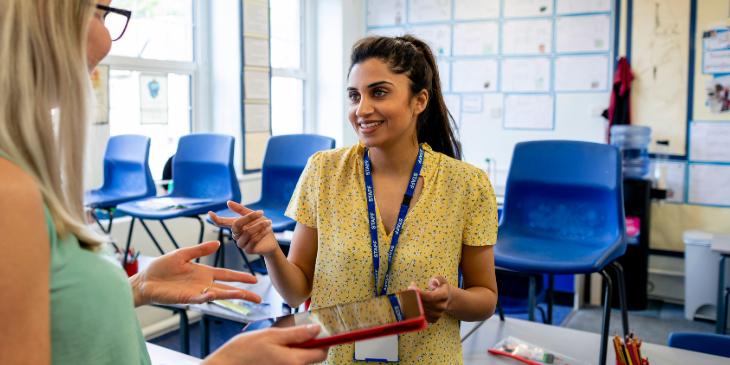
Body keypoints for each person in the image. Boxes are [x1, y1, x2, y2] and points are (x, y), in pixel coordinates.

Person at [0, 1, 328, 364]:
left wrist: (138, 288)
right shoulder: (10, 193)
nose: (109, 39)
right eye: (101, 14)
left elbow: (56, 318)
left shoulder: (20, 177)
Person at [210, 35, 499, 364]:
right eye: (353, 95)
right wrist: (271, 251)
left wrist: (450, 299)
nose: (361, 110)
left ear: (419, 101)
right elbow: (297, 291)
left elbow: (486, 298)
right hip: (337, 356)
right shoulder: (324, 171)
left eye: (378, 92)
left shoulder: (467, 184)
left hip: (426, 356)